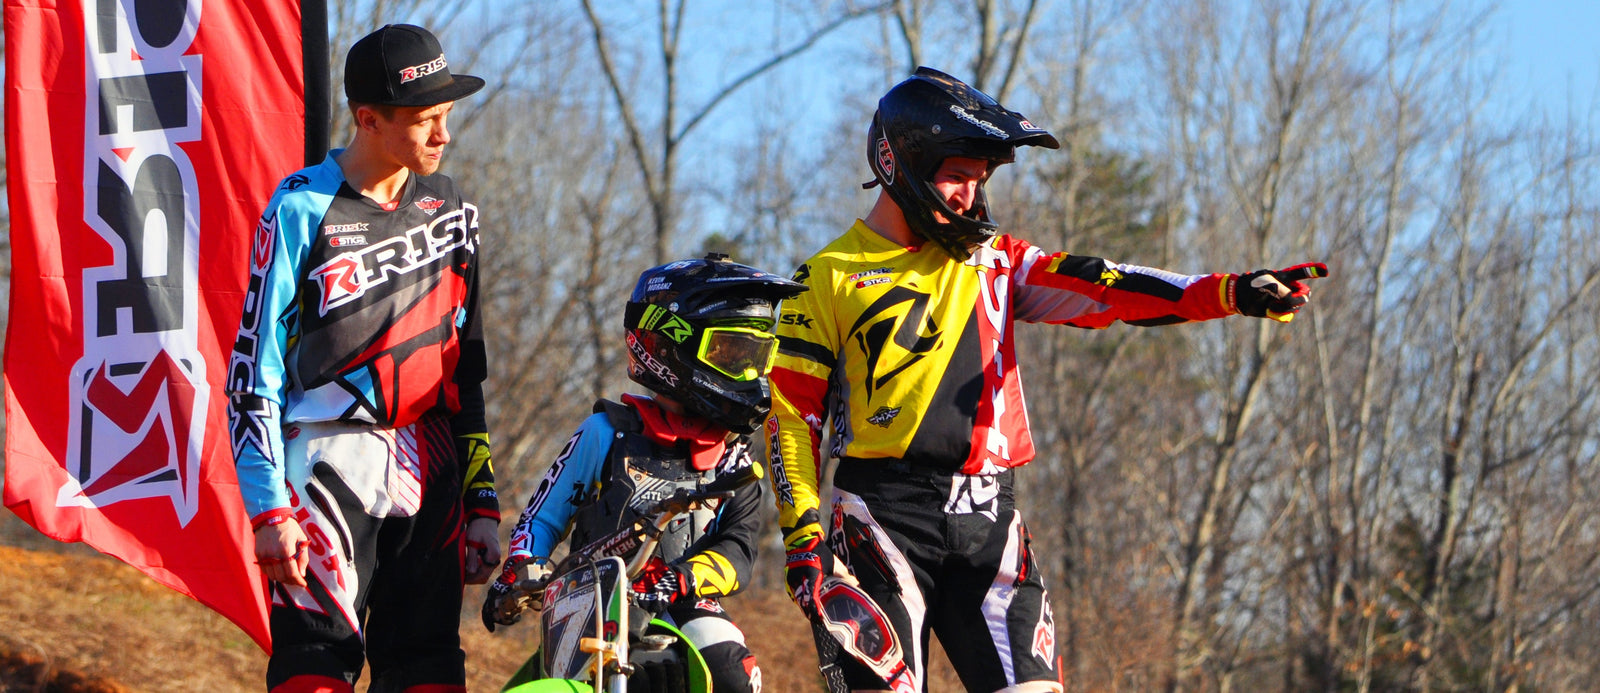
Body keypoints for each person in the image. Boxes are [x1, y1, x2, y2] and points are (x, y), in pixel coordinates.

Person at [767, 67, 1328, 693]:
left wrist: (1230, 292)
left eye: (980, 181)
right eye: (957, 176)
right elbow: (791, 416)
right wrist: (802, 536)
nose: (970, 198)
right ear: (902, 163)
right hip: (880, 518)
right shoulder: (824, 275)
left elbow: (1105, 286)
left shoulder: (997, 261)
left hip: (990, 517)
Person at [225, 24, 501, 693]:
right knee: (316, 666)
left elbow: (468, 367)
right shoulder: (299, 207)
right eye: (424, 119)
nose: (442, 134)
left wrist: (483, 499)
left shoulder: (452, 208)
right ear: (367, 118)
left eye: (446, 116)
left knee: (430, 669)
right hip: (324, 465)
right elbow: (251, 371)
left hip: (430, 464)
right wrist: (268, 509)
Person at [481, 254, 808, 693]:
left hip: (685, 604)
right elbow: (544, 515)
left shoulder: (735, 458)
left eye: (754, 356)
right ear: (669, 344)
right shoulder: (606, 433)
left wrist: (682, 577)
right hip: (589, 602)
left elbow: (739, 550)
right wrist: (520, 565)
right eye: (730, 353)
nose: (747, 371)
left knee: (734, 676)